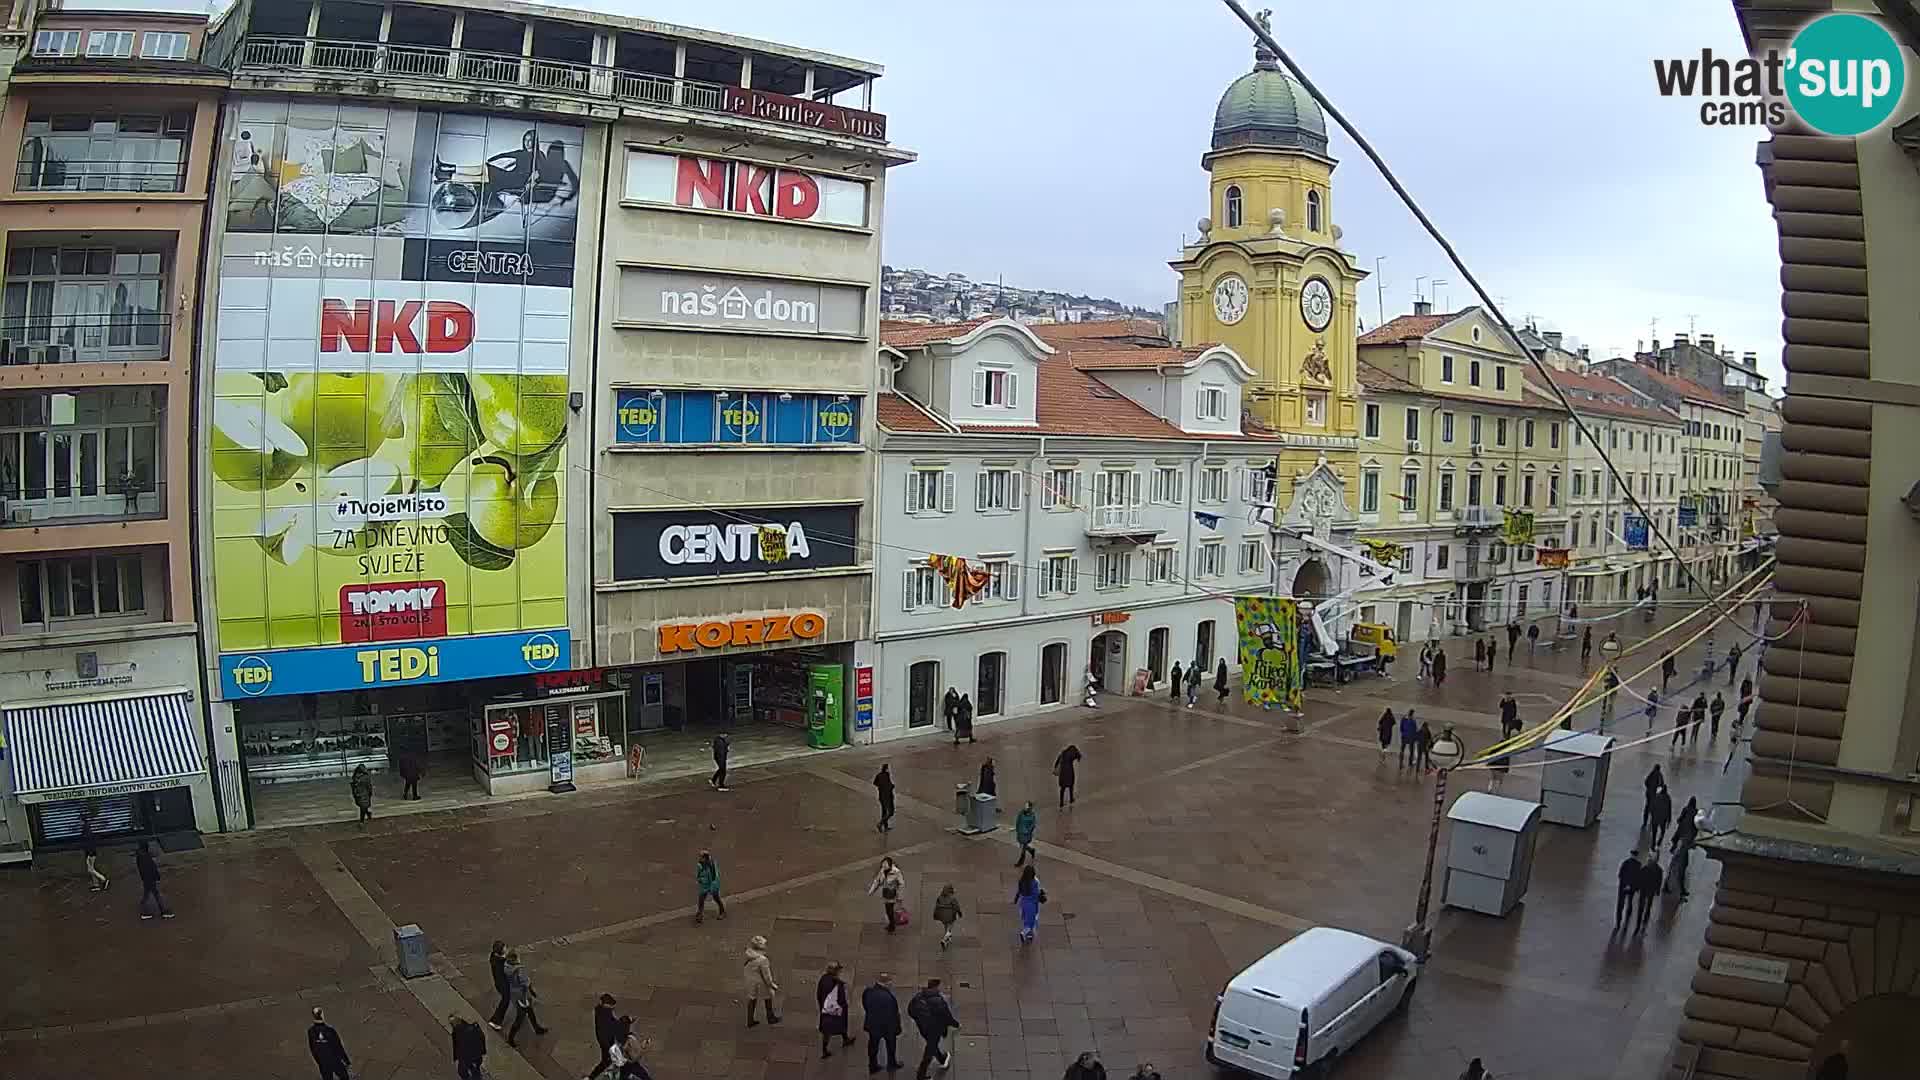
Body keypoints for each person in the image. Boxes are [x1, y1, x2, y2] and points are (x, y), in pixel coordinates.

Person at [907, 978, 959, 1079]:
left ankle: (942, 1059)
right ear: (937, 987)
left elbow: (910, 1010)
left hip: (923, 1028)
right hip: (934, 1030)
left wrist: (919, 1020)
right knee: (929, 1051)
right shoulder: (938, 1001)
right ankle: (921, 1075)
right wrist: (956, 1024)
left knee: (932, 1045)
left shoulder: (918, 996)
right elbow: (947, 1016)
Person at [863, 973, 904, 1073]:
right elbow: (893, 1014)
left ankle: (872, 1065)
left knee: (873, 1046)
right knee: (890, 1046)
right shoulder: (889, 998)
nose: (891, 984)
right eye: (890, 982)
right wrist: (897, 1028)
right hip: (887, 1026)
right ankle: (891, 1064)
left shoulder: (868, 992)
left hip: (873, 1024)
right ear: (886, 983)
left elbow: (865, 1004)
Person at [505, 950, 547, 1046]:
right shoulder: (519, 970)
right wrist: (532, 990)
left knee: (530, 1010)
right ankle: (511, 1038)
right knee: (520, 1017)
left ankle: (536, 1028)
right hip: (522, 995)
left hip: (514, 993)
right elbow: (525, 983)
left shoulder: (507, 967)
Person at [743, 935, 781, 1027]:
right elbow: (767, 976)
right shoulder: (763, 960)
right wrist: (772, 985)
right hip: (760, 982)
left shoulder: (748, 954)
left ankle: (750, 1020)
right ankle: (770, 1017)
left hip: (749, 980)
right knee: (768, 997)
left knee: (752, 999)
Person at [817, 961, 854, 1058]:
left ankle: (845, 1039)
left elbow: (819, 994)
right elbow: (841, 999)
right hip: (834, 1010)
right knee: (830, 1029)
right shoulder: (837, 985)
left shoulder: (823, 979)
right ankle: (825, 1050)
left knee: (829, 1029)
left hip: (825, 1010)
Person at [307, 1006, 351, 1080]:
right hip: (335, 1061)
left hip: (323, 1063)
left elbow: (313, 1049)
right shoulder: (330, 1030)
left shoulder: (311, 1031)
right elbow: (339, 1047)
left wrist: (319, 1062)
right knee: (344, 1077)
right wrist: (346, 1061)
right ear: (322, 1015)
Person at [589, 993, 623, 1080]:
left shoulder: (602, 1010)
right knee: (606, 1061)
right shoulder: (605, 1014)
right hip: (606, 1041)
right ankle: (592, 1077)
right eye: (611, 1005)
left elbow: (613, 1022)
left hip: (607, 1040)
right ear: (605, 1004)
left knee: (610, 1060)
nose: (613, 1007)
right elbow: (612, 1025)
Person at [134, 840, 171, 919]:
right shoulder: (145, 857)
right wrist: (156, 876)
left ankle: (147, 911)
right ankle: (162, 911)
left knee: (148, 895)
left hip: (146, 879)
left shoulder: (141, 856)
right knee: (155, 895)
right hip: (149, 879)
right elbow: (151, 868)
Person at [868, 856, 906, 933]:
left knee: (889, 910)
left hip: (892, 894)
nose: (884, 867)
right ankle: (891, 924)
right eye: (883, 866)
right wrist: (871, 891)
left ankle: (892, 925)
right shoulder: (882, 870)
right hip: (885, 893)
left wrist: (900, 896)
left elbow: (901, 884)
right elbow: (877, 881)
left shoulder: (896, 872)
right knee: (888, 910)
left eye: (885, 866)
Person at [449, 1014, 487, 1080]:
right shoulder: (473, 1027)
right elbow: (482, 1037)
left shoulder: (456, 1033)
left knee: (462, 1071)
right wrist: (483, 1051)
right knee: (475, 1069)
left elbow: (456, 1046)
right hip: (476, 1055)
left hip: (467, 1057)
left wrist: (456, 1058)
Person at [1014, 865, 1044, 944]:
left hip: (1023, 903)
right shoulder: (1034, 882)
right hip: (1031, 904)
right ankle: (1024, 933)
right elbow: (1036, 894)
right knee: (1031, 920)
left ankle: (1029, 935)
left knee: (1026, 919)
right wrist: (1041, 895)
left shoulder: (1021, 881)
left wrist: (1016, 899)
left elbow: (1019, 891)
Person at [1634, 855, 1664, 932]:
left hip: (1644, 889)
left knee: (1643, 907)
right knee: (1647, 906)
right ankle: (1643, 922)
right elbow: (1659, 881)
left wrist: (1637, 888)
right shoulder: (1659, 870)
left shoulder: (1645, 868)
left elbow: (1639, 878)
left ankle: (1639, 923)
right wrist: (1657, 890)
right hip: (1650, 890)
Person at [1614, 849, 1642, 930]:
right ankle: (1627, 916)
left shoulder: (1625, 863)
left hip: (1623, 887)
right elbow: (1638, 878)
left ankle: (1618, 923)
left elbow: (1620, 874)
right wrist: (1635, 887)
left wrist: (1625, 884)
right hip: (1631, 888)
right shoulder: (1638, 864)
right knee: (1629, 901)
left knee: (1620, 905)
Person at [694, 850, 725, 924]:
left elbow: (714, 876)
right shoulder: (699, 865)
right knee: (701, 899)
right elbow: (698, 874)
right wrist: (699, 880)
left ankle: (722, 912)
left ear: (705, 858)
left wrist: (713, 886)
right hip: (704, 885)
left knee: (716, 898)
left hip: (712, 885)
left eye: (701, 857)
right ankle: (700, 914)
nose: (699, 858)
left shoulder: (711, 865)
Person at [487, 940, 512, 1028]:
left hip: (501, 983)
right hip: (503, 985)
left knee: (507, 999)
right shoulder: (500, 963)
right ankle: (495, 1021)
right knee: (505, 1000)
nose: (506, 949)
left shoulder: (494, 957)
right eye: (504, 948)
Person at [80, 815, 108, 892]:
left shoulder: (86, 830)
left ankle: (104, 879)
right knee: (92, 869)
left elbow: (88, 843)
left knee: (90, 869)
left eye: (80, 821)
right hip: (91, 852)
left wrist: (89, 853)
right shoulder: (88, 829)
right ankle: (96, 885)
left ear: (82, 821)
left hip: (90, 853)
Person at [933, 884, 963, 950]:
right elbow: (956, 907)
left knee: (946, 926)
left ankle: (947, 937)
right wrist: (959, 913)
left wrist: (936, 915)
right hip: (950, 916)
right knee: (950, 926)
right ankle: (945, 939)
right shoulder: (952, 898)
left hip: (942, 916)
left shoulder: (940, 897)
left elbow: (937, 906)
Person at [1648, 785, 1673, 851]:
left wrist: (1652, 814)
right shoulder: (1668, 798)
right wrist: (1669, 819)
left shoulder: (1657, 796)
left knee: (1654, 832)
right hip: (1663, 818)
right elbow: (1669, 809)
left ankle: (1653, 844)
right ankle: (1659, 842)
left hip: (1655, 818)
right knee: (1662, 831)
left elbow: (1651, 806)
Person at [1014, 800, 1038, 866]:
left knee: (1022, 848)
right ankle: (1031, 850)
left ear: (1030, 807)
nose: (1025, 807)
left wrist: (1028, 831)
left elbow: (1033, 825)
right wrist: (1017, 829)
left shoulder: (1032, 815)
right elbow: (1018, 821)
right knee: (1022, 846)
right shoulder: (1021, 813)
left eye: (1027, 806)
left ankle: (1021, 861)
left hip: (1026, 835)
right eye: (1025, 806)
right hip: (1020, 833)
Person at [875, 764, 896, 832]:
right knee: (891, 812)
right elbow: (889, 785)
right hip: (888, 797)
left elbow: (875, 783)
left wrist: (880, 787)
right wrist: (892, 786)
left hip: (881, 797)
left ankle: (885, 826)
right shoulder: (887, 775)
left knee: (884, 812)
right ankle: (880, 824)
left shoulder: (879, 775)